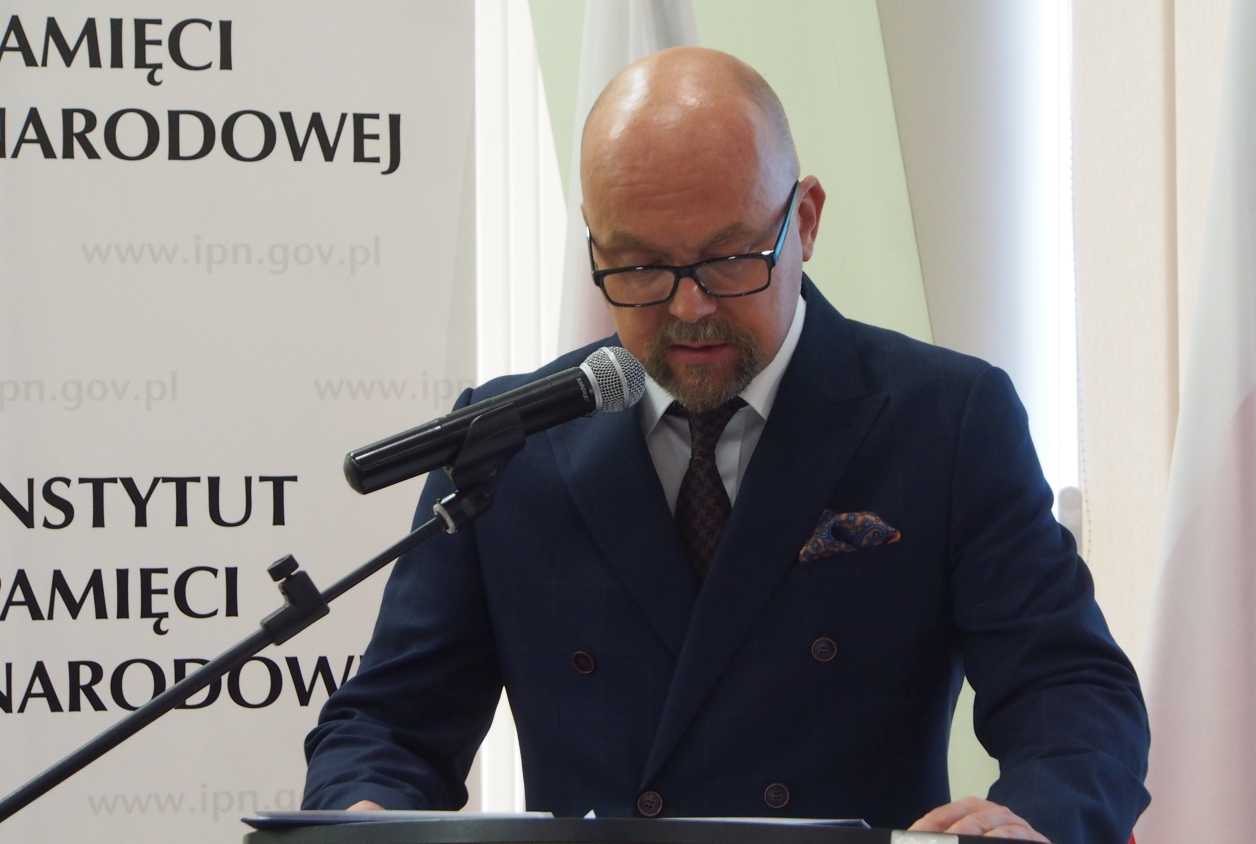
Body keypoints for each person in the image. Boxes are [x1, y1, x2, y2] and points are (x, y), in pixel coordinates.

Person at [302, 46, 1149, 842]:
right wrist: (366, 811)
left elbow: (1069, 690)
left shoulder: (946, 420)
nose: (690, 307)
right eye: (639, 267)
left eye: (728, 259)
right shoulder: (510, 443)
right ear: (594, 244)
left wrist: (1033, 816)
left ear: (804, 222)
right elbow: (389, 724)